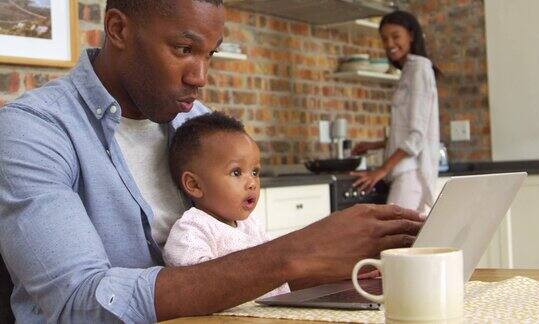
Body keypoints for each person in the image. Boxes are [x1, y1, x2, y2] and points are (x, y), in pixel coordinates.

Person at [0, 1, 424, 322]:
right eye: (184, 48)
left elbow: (240, 261)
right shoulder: (33, 131)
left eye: (210, 54)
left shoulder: (197, 123)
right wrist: (295, 253)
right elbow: (77, 301)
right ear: (118, 29)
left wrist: (333, 266)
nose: (200, 77)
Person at [162, 111, 290, 298]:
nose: (252, 182)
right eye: (236, 173)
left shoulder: (252, 225)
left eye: (255, 172)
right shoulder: (192, 230)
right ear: (194, 185)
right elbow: (196, 284)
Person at [351, 10, 440, 213]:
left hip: (411, 173)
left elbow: (416, 137)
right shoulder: (408, 71)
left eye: (395, 36)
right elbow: (409, 131)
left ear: (411, 35)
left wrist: (381, 170)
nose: (389, 43)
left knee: (394, 238)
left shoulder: (420, 69)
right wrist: (375, 144)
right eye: (384, 38)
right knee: (406, 239)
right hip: (406, 172)